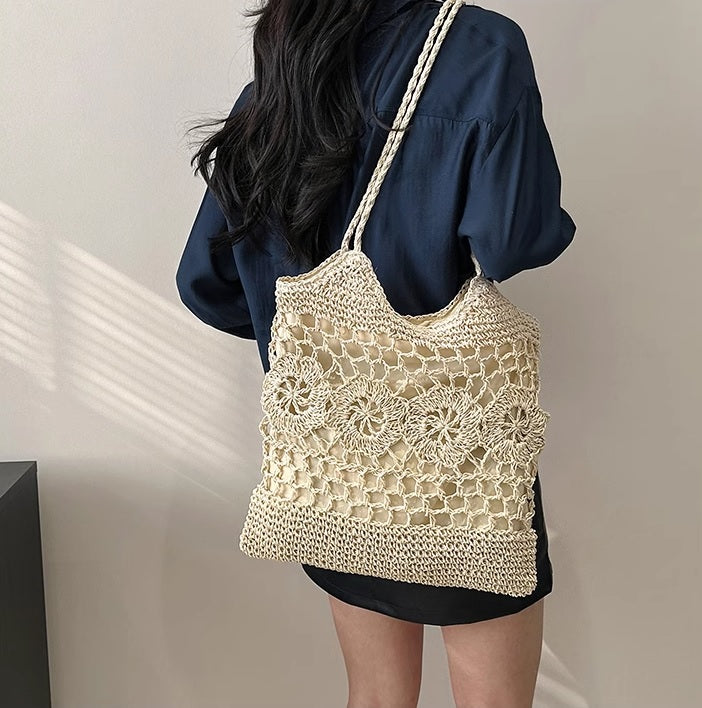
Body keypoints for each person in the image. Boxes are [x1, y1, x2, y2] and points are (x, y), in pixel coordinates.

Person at [176, 1, 577, 706]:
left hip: (337, 463)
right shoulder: (481, 50)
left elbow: (204, 282)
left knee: (375, 696)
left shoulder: (289, 59)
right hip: (460, 465)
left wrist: (325, 348)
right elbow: (514, 241)